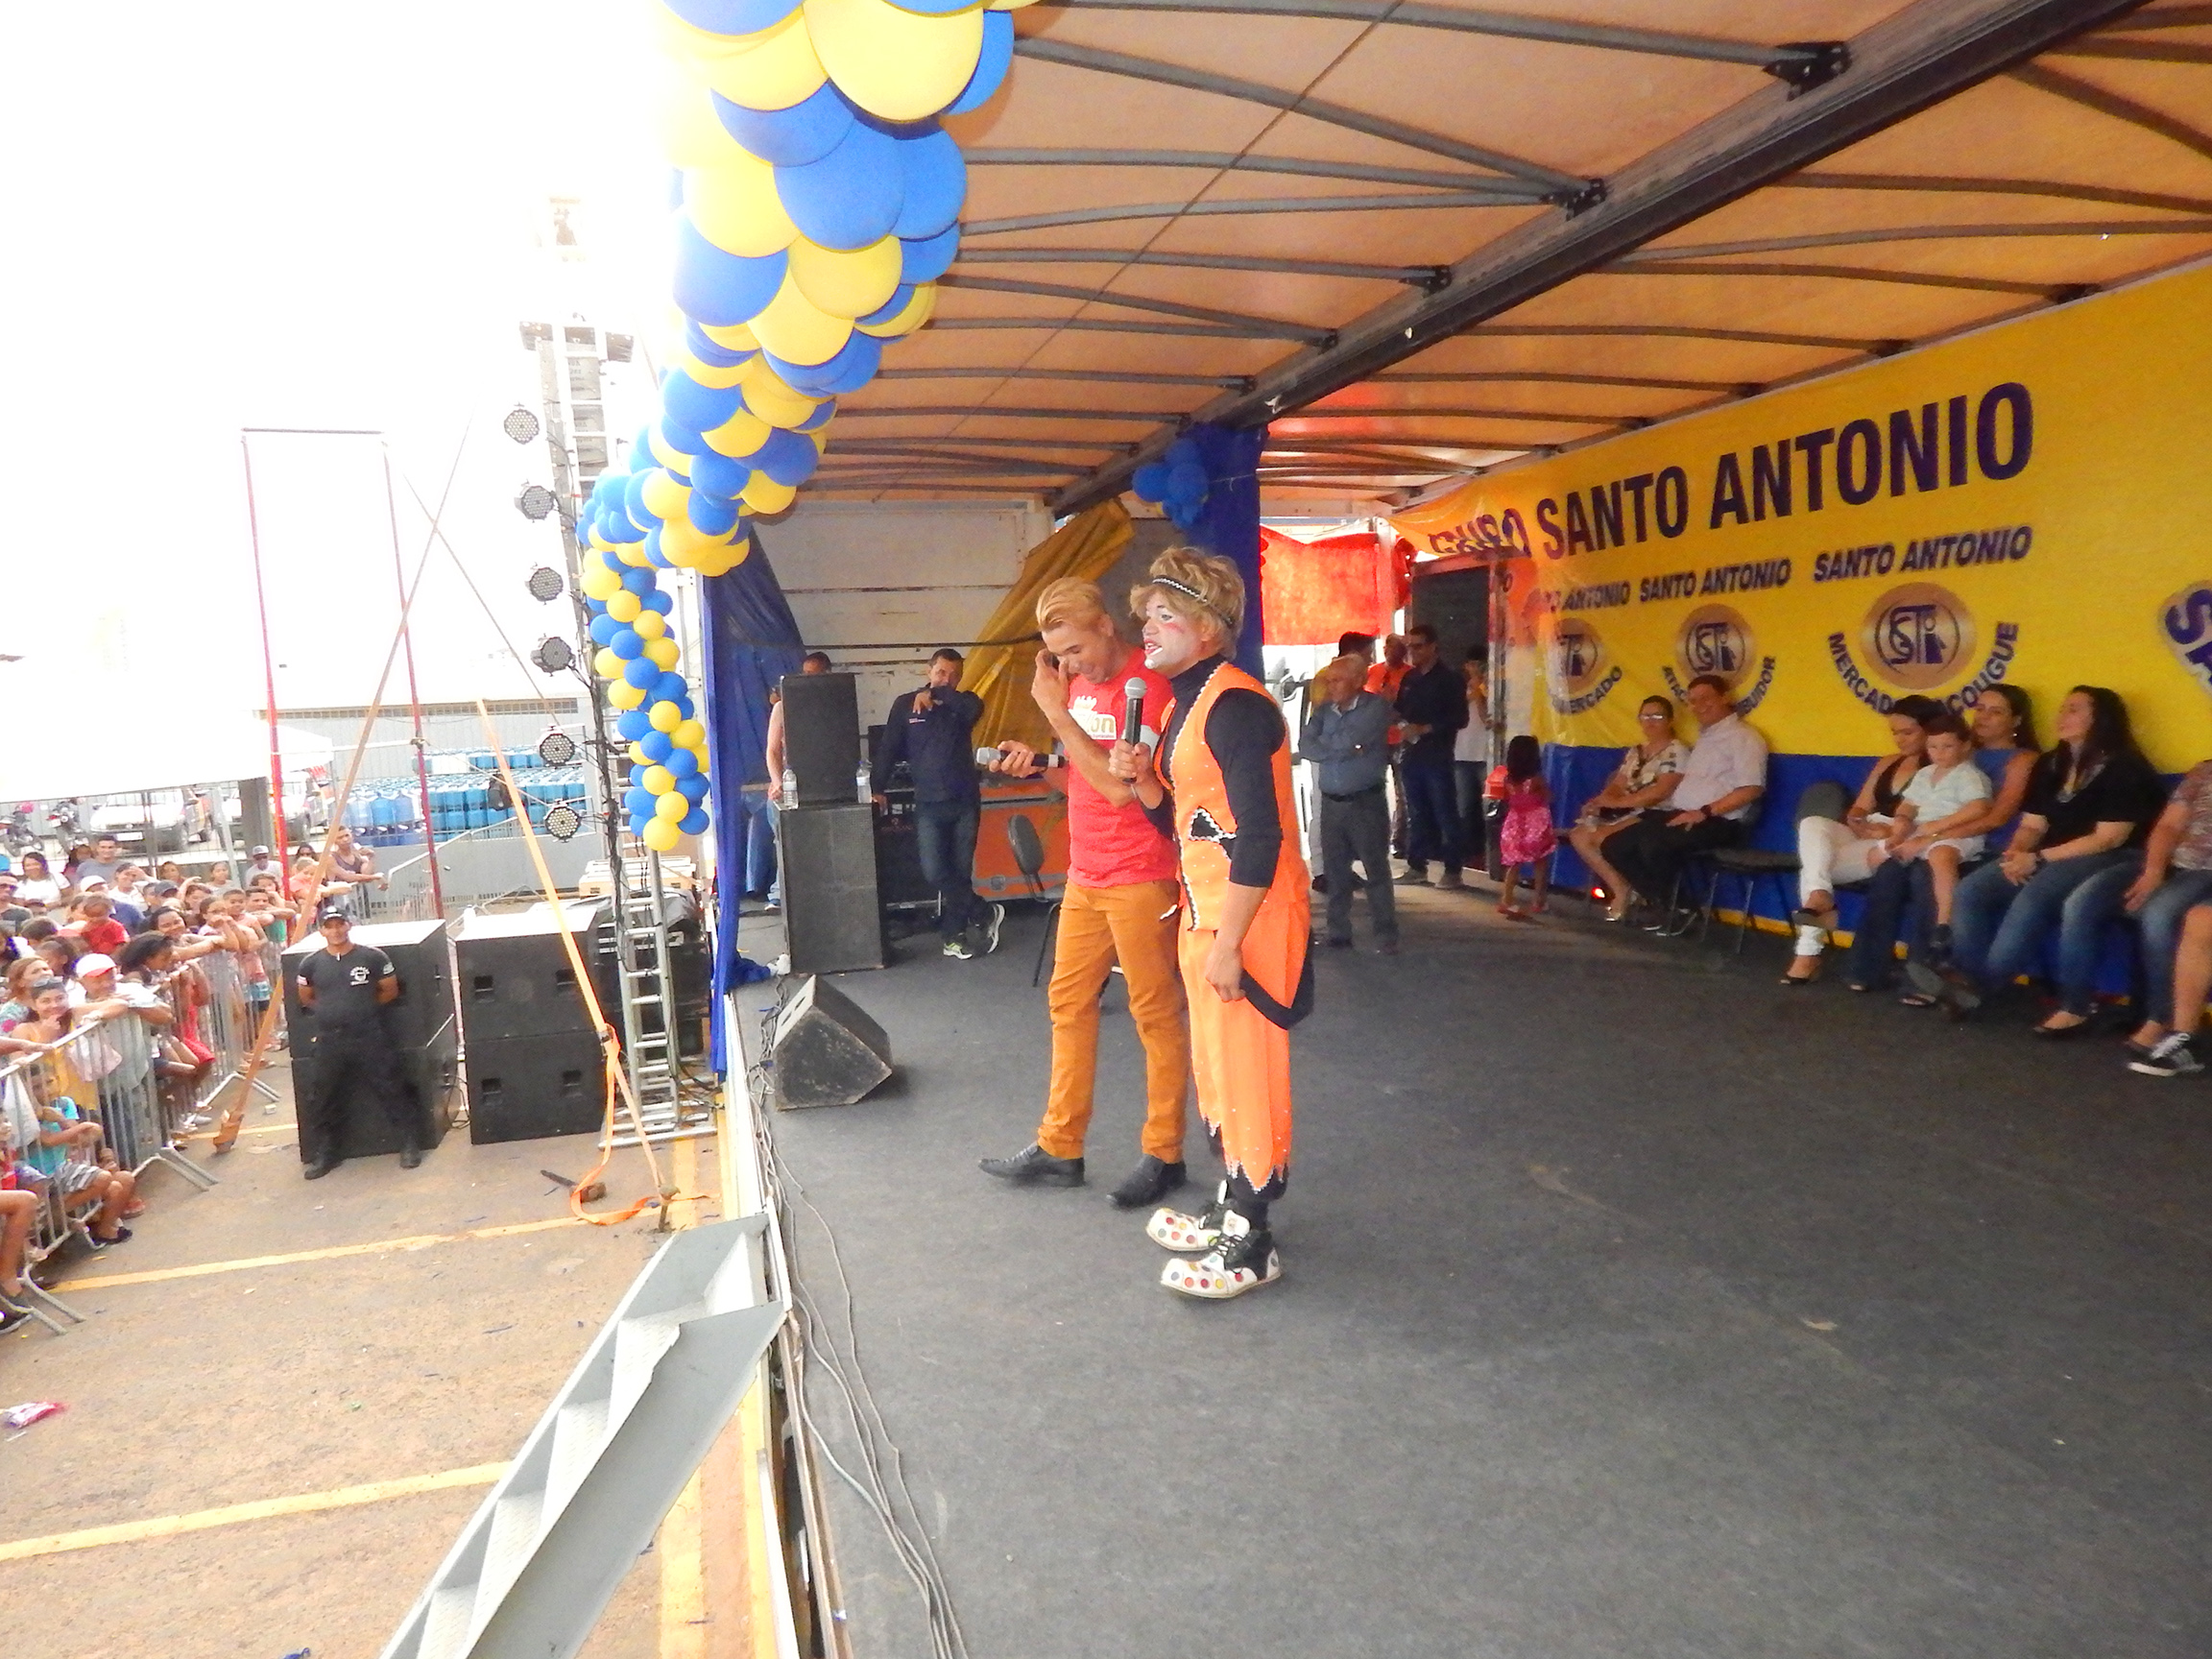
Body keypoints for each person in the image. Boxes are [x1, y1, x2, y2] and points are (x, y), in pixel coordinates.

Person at [1108, 547, 1310, 1300]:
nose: (1148, 630)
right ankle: (1232, 1202)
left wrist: (1229, 944)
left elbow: (1261, 835)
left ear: (1207, 627)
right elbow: (1187, 825)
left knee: (1248, 1070)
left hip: (1247, 921)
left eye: (1165, 616)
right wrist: (1145, 783)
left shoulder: (1236, 707)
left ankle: (1252, 1241)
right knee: (1217, 1068)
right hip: (1206, 913)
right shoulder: (1181, 707)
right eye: (1147, 616)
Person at [976, 577, 1192, 1207]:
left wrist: (1056, 715)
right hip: (1087, 872)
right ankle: (1060, 1146)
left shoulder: (1146, 686)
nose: (1070, 665)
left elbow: (1123, 789)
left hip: (1141, 874)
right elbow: (1082, 774)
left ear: (1105, 625)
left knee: (1155, 1014)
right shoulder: (1075, 687)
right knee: (1067, 1004)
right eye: (1058, 655)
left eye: (1075, 649)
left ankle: (1165, 1153)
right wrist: (1039, 762)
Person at [1917, 685, 2167, 1032]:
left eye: (2074, 709)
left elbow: (2108, 838)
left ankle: (1978, 985)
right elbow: (2033, 824)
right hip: (2051, 853)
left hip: (2114, 857)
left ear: (2101, 718)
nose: (2062, 716)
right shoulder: (2053, 763)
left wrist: (2037, 859)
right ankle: (1966, 982)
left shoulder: (2124, 767)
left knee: (2036, 894)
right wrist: (2017, 851)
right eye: (2062, 708)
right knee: (1971, 891)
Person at [1847, 685, 2038, 996]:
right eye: (1980, 708)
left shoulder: (2021, 759)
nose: (1984, 717)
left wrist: (1929, 837)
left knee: (1925, 875)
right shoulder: (1954, 751)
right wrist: (1905, 830)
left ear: (2016, 720)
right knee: (1890, 871)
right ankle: (1867, 969)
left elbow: (1994, 818)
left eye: (1996, 711)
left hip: (1985, 848)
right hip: (1932, 839)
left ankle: (1926, 976)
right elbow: (1917, 802)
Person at [1782, 695, 1940, 984]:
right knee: (1812, 823)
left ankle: (1808, 952)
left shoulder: (1941, 768)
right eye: (1895, 732)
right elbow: (1860, 806)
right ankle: (1819, 898)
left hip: (1901, 839)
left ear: (1930, 728)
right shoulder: (1889, 762)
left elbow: (1937, 819)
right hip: (1867, 834)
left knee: (1815, 871)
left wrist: (1889, 832)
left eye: (1908, 732)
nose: (1900, 739)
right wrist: (1859, 821)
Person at [1604, 675, 1769, 927]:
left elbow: (1751, 789)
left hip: (1719, 821)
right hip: (1683, 814)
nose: (1699, 706)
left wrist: (1705, 812)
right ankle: (1671, 904)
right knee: (1615, 845)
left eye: (1706, 698)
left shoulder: (1744, 737)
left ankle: (1677, 910)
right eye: (1693, 701)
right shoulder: (1705, 737)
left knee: (1654, 845)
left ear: (1725, 698)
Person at [876, 647, 1001, 960]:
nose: (947, 679)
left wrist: (935, 694)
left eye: (954, 675)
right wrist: (877, 787)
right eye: (941, 672)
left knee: (960, 872)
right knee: (934, 872)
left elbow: (970, 708)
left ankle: (953, 937)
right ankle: (983, 911)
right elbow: (888, 748)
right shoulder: (905, 705)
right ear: (928, 671)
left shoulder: (965, 703)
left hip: (964, 801)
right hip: (929, 803)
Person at [294, 911, 420, 1178]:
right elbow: (306, 997)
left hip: (368, 1035)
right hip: (330, 1039)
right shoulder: (310, 964)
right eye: (329, 926)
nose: (336, 931)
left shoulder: (373, 957)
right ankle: (327, 1153)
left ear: (349, 926)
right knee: (324, 1095)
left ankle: (409, 1144)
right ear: (321, 931)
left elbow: (390, 990)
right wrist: (331, 1012)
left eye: (340, 924)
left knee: (390, 1087)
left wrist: (361, 1011)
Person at [13, 979, 137, 1247]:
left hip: (77, 1098)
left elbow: (119, 1004)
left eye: (59, 998)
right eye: (46, 1001)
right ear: (33, 1004)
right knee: (87, 1163)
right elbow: (18, 1069)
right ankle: (56, 1219)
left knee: (101, 1157)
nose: (54, 1005)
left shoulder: (73, 1014)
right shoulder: (25, 1029)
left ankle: (98, 1222)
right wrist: (46, 1037)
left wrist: (96, 1015)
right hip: (41, 1110)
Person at [1296, 652, 1398, 953]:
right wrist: (1345, 748)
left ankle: (1386, 935)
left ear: (1357, 681)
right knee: (1335, 872)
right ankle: (1338, 932)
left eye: (1337, 681)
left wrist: (1336, 746)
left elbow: (1346, 740)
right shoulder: (1324, 711)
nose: (1330, 687)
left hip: (1365, 802)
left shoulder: (1375, 708)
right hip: (1332, 803)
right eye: (1329, 681)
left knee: (1375, 869)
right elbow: (1306, 745)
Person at [2116, 757, 2212, 1070]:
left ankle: (2176, 1030)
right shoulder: (2205, 771)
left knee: (2198, 920)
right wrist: (2154, 871)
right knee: (2155, 913)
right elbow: (2169, 825)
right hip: (2192, 869)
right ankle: (2164, 1020)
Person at [1569, 696, 1690, 923]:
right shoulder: (1636, 751)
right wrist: (1598, 803)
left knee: (1604, 838)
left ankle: (1632, 893)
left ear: (1670, 720)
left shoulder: (1677, 751)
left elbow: (1660, 792)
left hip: (1657, 813)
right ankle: (1621, 888)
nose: (1650, 721)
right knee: (1579, 835)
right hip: (1627, 811)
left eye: (1657, 716)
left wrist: (1617, 803)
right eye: (1645, 716)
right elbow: (1618, 784)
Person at [1393, 623, 1469, 888]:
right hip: (1411, 752)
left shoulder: (1450, 679)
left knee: (1445, 811)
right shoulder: (1410, 678)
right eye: (1410, 647)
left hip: (1438, 754)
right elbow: (1399, 709)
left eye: (1418, 646)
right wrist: (1401, 724)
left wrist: (1425, 728)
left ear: (1433, 646)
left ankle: (1453, 869)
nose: (1413, 652)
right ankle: (1417, 866)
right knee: (1416, 812)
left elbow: (1459, 718)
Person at [758, 649, 833, 908]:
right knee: (786, 842)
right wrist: (777, 781)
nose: (808, 679)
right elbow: (772, 750)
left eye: (815, 674)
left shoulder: (834, 704)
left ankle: (818, 893)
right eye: (805, 674)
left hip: (822, 784)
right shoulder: (783, 706)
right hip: (789, 785)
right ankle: (779, 894)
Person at [1495, 735, 1557, 919]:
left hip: (1515, 823)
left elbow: (1507, 799)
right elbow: (1549, 797)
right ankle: (1538, 900)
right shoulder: (1536, 779)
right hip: (1536, 823)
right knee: (1541, 861)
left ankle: (1506, 898)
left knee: (1514, 863)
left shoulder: (1508, 779)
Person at [1366, 634, 1410, 854]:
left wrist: (1393, 704)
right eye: (1387, 648)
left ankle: (1400, 840)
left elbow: (1412, 708)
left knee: (1403, 791)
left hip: (1401, 739)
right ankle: (1375, 839)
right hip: (1376, 739)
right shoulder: (1371, 672)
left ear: (1403, 652)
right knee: (1373, 790)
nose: (1390, 652)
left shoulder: (1410, 674)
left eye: (1396, 649)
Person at [1453, 648, 1491, 869]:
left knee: (1488, 808)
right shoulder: (1459, 688)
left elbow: (1487, 718)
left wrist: (1480, 691)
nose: (1475, 668)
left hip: (1484, 755)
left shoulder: (1491, 686)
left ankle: (1488, 853)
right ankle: (1468, 853)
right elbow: (1456, 711)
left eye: (1479, 664)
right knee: (1464, 808)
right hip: (1462, 754)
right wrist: (1472, 690)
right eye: (1471, 664)